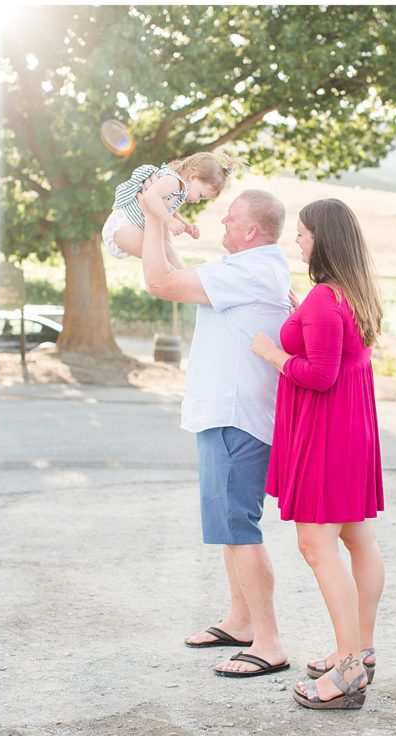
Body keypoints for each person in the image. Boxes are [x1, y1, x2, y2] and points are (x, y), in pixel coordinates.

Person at [139, 188, 293, 678]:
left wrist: (149, 217)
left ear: (250, 230)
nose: (221, 224)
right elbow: (183, 276)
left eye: (229, 219)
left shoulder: (251, 270)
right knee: (230, 528)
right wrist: (162, 225)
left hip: (236, 416)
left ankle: (268, 642)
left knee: (239, 527)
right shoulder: (252, 268)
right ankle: (241, 620)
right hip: (225, 414)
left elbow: (160, 282)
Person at [249, 198, 385, 710]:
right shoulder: (351, 292)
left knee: (316, 547)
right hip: (353, 430)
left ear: (322, 240)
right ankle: (360, 651)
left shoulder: (327, 299)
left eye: (303, 235)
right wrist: (299, 313)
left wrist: (272, 352)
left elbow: (320, 375)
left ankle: (348, 672)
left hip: (327, 433)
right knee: (358, 539)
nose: (297, 242)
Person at [104, 152, 241, 262]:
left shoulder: (179, 190)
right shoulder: (172, 181)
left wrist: (186, 227)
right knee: (159, 259)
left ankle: (184, 282)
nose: (198, 201)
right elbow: (151, 196)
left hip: (132, 228)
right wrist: (169, 222)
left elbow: (171, 212)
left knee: (166, 257)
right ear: (194, 177)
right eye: (201, 195)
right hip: (123, 226)